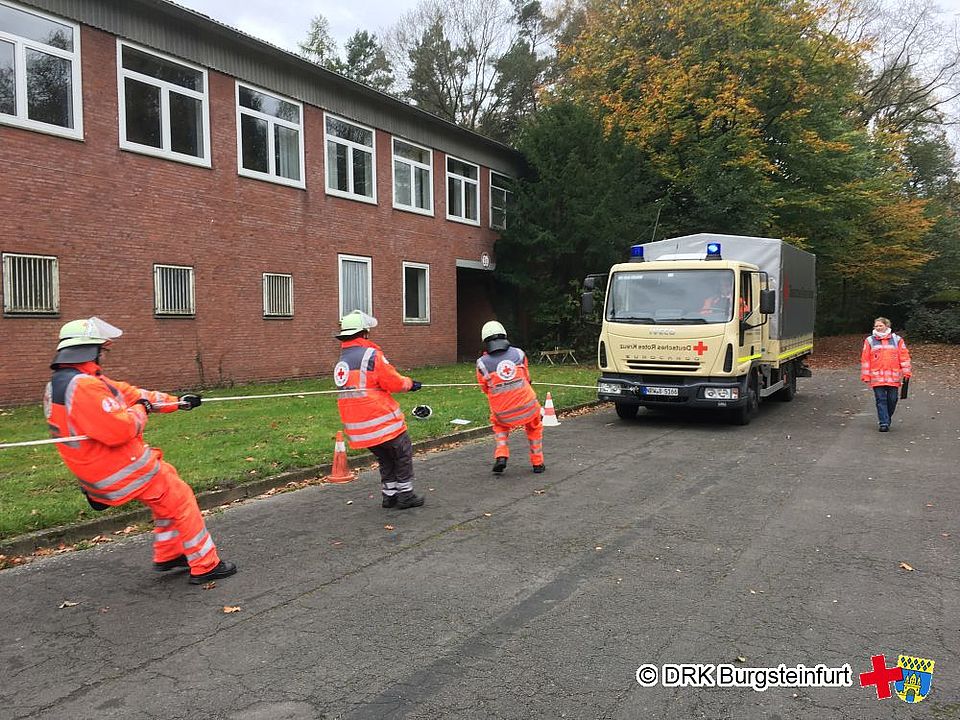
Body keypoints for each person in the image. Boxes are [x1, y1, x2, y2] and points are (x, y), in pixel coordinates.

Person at [43, 317, 236, 584]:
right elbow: (120, 429)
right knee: (180, 497)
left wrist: (177, 403)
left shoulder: (67, 382)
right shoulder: (84, 387)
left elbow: (132, 394)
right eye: (102, 350)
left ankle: (170, 553)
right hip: (119, 470)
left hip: (97, 469)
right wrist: (141, 410)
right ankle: (206, 565)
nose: (103, 355)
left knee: (167, 491)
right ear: (90, 349)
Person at [333, 310, 424, 509]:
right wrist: (410, 383)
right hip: (381, 420)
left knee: (385, 457)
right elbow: (393, 382)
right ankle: (406, 495)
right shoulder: (370, 355)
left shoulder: (343, 361)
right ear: (364, 333)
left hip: (358, 429)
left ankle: (389, 495)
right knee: (402, 454)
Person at [476, 321, 545, 475]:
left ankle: (501, 455)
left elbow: (485, 388)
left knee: (499, 426)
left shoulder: (482, 364)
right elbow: (527, 378)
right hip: (528, 407)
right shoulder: (519, 354)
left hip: (503, 413)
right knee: (534, 427)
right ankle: (537, 463)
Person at [860, 317, 912, 432]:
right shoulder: (869, 341)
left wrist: (906, 371)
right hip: (876, 377)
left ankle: (886, 417)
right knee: (880, 399)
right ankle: (884, 423)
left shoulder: (897, 340)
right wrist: (866, 375)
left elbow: (904, 357)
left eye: (880, 325)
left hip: (893, 377)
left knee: (892, 399)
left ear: (887, 326)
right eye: (876, 326)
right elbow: (865, 359)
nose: (878, 328)